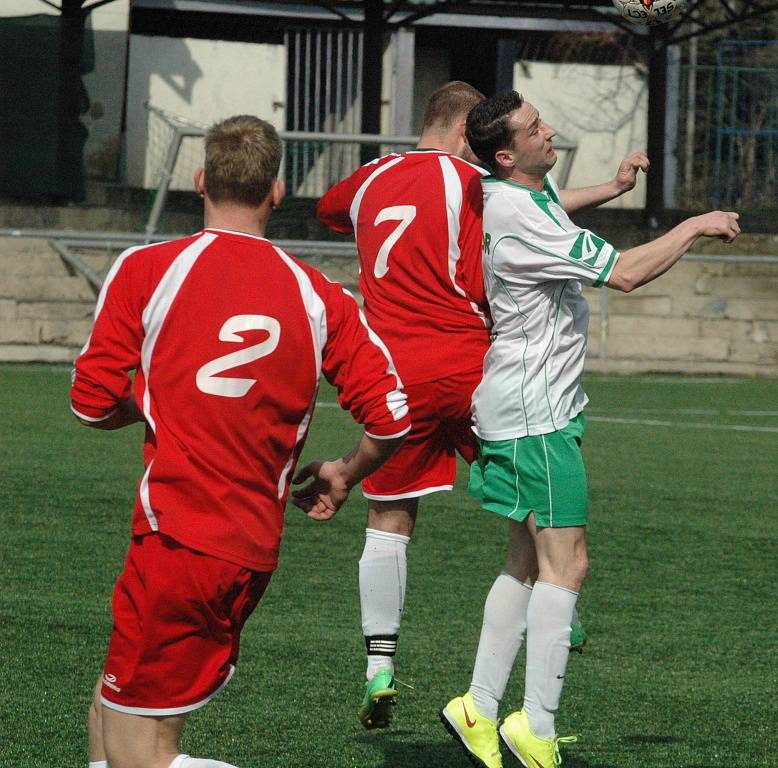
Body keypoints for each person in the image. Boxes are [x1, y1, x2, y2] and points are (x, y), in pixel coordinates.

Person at [71, 115, 410, 768]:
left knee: (139, 751)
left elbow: (90, 403)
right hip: (248, 545)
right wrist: (345, 470)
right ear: (276, 192)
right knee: (110, 712)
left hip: (178, 537)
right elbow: (393, 416)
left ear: (199, 181)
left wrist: (157, 404)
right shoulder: (319, 295)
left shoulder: (148, 269)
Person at [440, 90, 740, 768]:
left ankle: (478, 708)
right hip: (535, 417)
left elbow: (551, 206)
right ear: (507, 153)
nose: (551, 131)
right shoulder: (520, 215)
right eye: (535, 127)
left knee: (526, 562)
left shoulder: (506, 193)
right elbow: (627, 273)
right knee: (567, 565)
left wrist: (610, 186)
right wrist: (694, 225)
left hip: (517, 409)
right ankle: (535, 727)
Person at [316, 81, 491, 728]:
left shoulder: (369, 176)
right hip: (471, 363)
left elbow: (331, 212)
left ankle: (379, 666)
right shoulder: (474, 182)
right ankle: (562, 601)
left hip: (394, 372)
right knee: (530, 493)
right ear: (466, 129)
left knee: (388, 518)